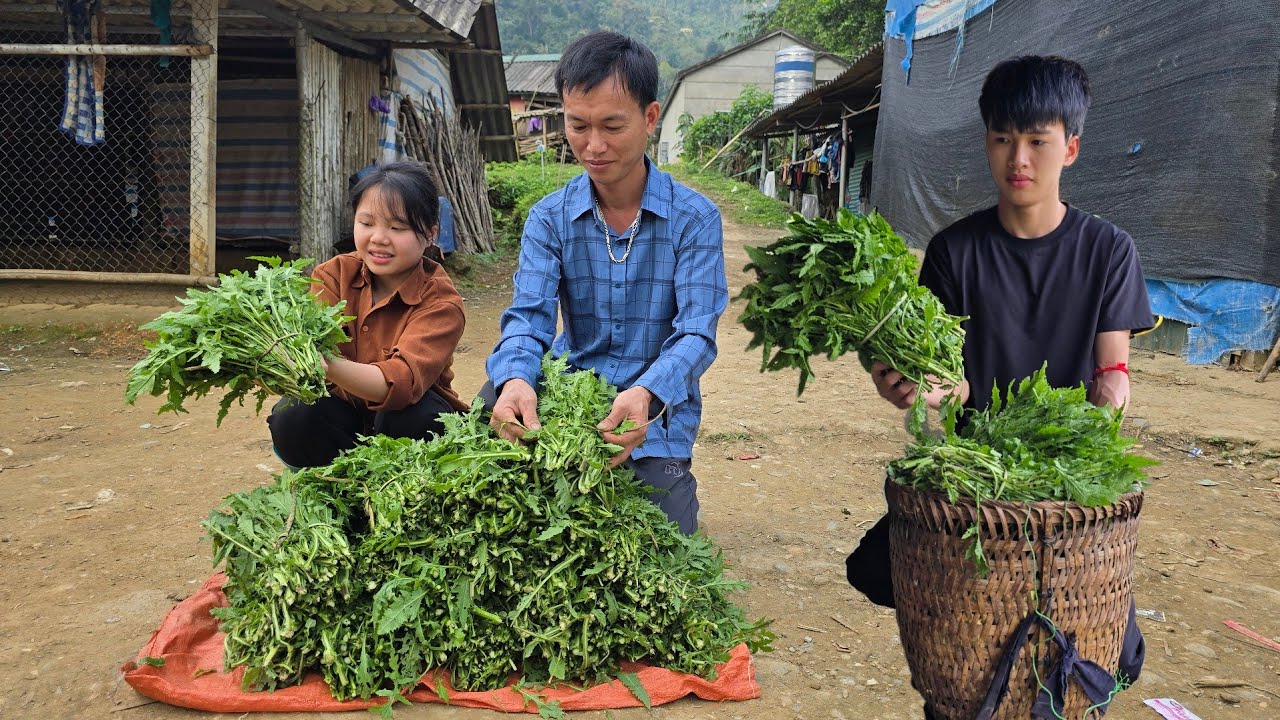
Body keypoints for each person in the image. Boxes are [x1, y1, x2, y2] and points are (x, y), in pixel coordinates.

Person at [849, 56, 1154, 689]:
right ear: (986, 142)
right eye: (1002, 139)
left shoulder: (1108, 250)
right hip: (976, 475)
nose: (1019, 158)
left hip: (1060, 480)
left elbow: (1113, 372)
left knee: (1115, 657)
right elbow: (947, 381)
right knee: (877, 569)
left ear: (1069, 148)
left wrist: (1106, 407)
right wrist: (916, 392)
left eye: (1037, 141)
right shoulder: (955, 252)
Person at [482, 31, 729, 535]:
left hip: (653, 416)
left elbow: (696, 334)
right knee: (509, 504)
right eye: (578, 125)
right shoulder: (549, 219)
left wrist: (646, 394)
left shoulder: (695, 219)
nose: (593, 146)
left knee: (666, 538)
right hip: (568, 398)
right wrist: (516, 379)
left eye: (612, 125)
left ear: (650, 117)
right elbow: (527, 319)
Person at [269, 161, 469, 468]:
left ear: (430, 234)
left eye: (397, 227)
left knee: (413, 417)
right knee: (294, 416)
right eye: (367, 223)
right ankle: (323, 483)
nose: (378, 238)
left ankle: (407, 488)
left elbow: (399, 384)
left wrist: (327, 365)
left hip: (409, 425)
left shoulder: (441, 302)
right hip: (344, 417)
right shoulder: (333, 275)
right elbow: (305, 358)